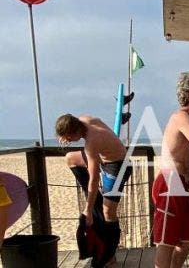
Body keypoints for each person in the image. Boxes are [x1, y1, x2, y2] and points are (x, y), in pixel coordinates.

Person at [55, 114, 132, 266]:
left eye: (69, 138)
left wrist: (88, 210)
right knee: (71, 158)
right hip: (105, 157)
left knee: (108, 213)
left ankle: (109, 256)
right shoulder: (84, 119)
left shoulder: (91, 143)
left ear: (75, 131)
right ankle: (96, 202)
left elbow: (94, 179)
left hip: (117, 167)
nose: (68, 141)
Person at [153, 72, 189, 268]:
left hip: (181, 186)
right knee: (166, 241)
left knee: (188, 238)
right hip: (170, 184)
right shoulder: (181, 117)